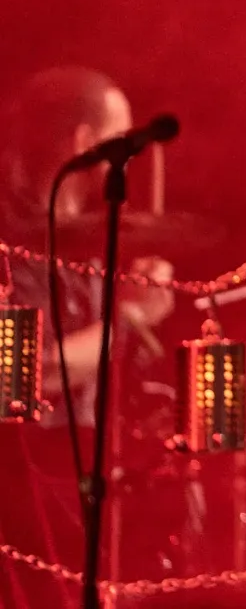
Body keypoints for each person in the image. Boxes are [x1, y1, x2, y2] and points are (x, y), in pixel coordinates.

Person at [0, 66, 175, 609]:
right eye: (119, 138)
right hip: (24, 476)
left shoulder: (87, 243)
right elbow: (31, 371)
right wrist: (128, 321)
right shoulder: (12, 246)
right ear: (83, 142)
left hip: (81, 467)